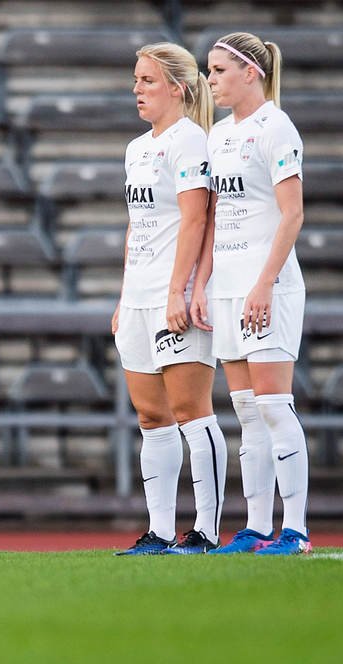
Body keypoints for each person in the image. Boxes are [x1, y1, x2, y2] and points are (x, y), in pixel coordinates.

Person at [111, 41, 225, 556]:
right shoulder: (137, 149)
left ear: (177, 88)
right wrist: (122, 298)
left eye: (147, 80)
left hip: (173, 296)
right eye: (136, 80)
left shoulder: (190, 142)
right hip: (138, 298)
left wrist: (181, 291)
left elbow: (197, 219)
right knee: (151, 417)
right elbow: (136, 229)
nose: (137, 89)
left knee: (190, 411)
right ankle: (158, 532)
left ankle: (204, 531)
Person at [204, 31, 312, 555]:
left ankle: (296, 530)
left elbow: (292, 214)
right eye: (208, 70)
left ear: (253, 73)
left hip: (266, 286)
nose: (211, 80)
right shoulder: (219, 135)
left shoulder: (277, 127)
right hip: (227, 287)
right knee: (247, 411)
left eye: (220, 70)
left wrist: (264, 283)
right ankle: (256, 527)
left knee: (273, 404)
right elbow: (213, 215)